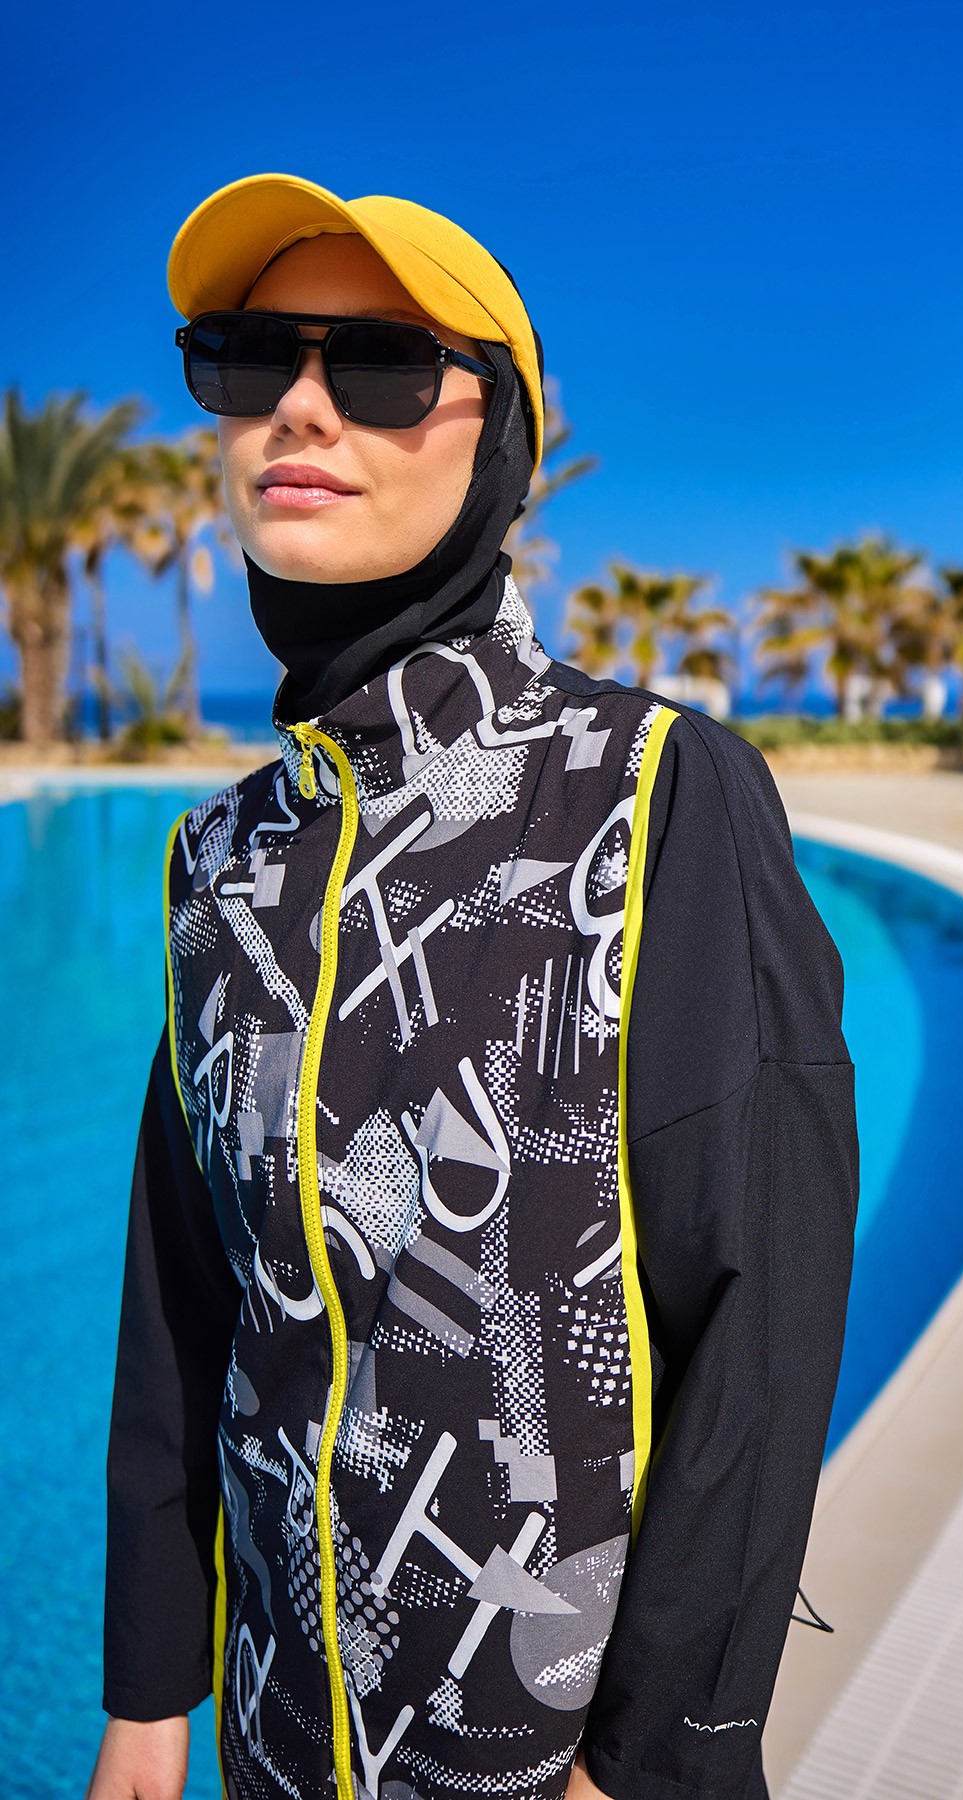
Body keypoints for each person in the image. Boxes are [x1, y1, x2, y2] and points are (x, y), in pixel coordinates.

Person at [87, 174, 858, 1800]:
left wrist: (648, 1761)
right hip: (276, 1738)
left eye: (378, 366)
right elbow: (185, 1301)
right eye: (249, 357)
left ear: (498, 435)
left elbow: (765, 1316)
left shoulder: (649, 794)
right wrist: (150, 1697)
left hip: (545, 1764)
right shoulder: (220, 861)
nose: (299, 407)